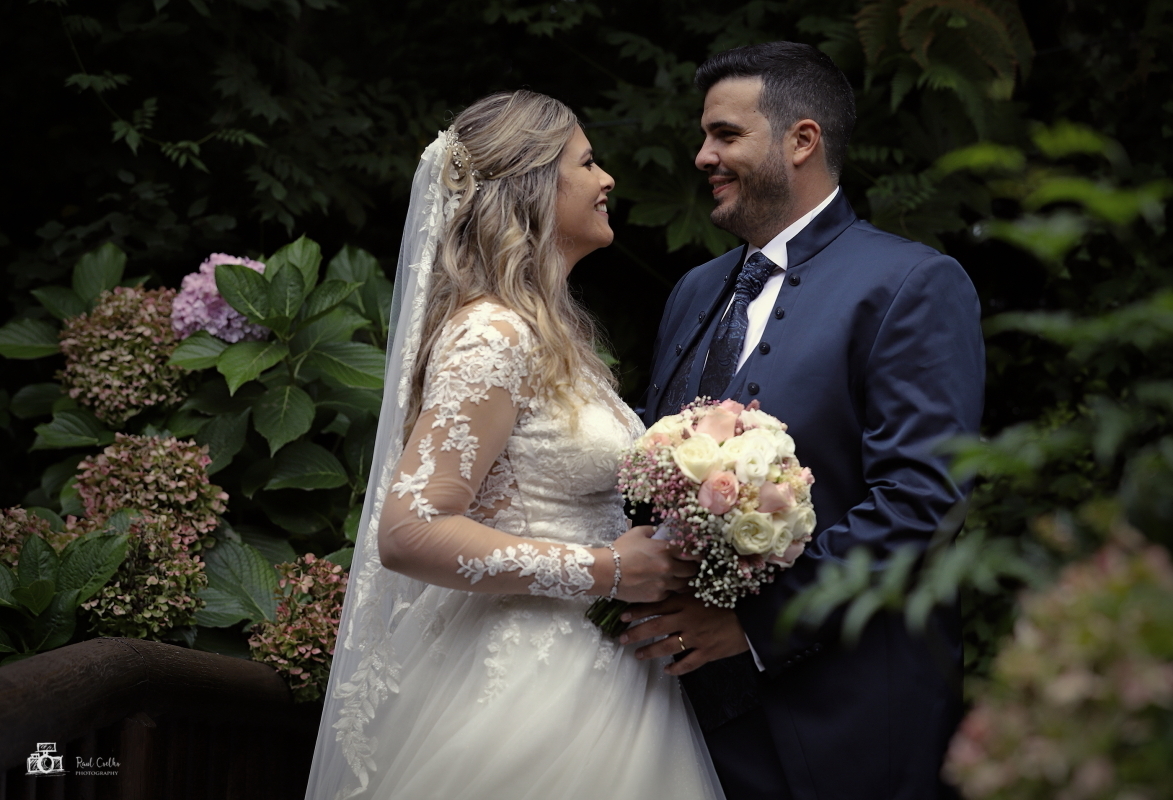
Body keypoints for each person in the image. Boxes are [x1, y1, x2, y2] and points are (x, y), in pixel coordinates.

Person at [303, 90, 725, 800]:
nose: (606, 179)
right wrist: (607, 570)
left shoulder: (552, 337)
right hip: (526, 681)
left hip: (600, 669)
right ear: (532, 187)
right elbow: (409, 531)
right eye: (586, 163)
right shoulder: (490, 335)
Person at [625, 42, 985, 799]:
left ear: (802, 140)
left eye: (725, 135)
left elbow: (921, 499)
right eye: (704, 136)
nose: (702, 156)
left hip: (847, 717)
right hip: (684, 718)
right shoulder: (694, 291)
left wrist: (757, 626)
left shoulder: (911, 283)